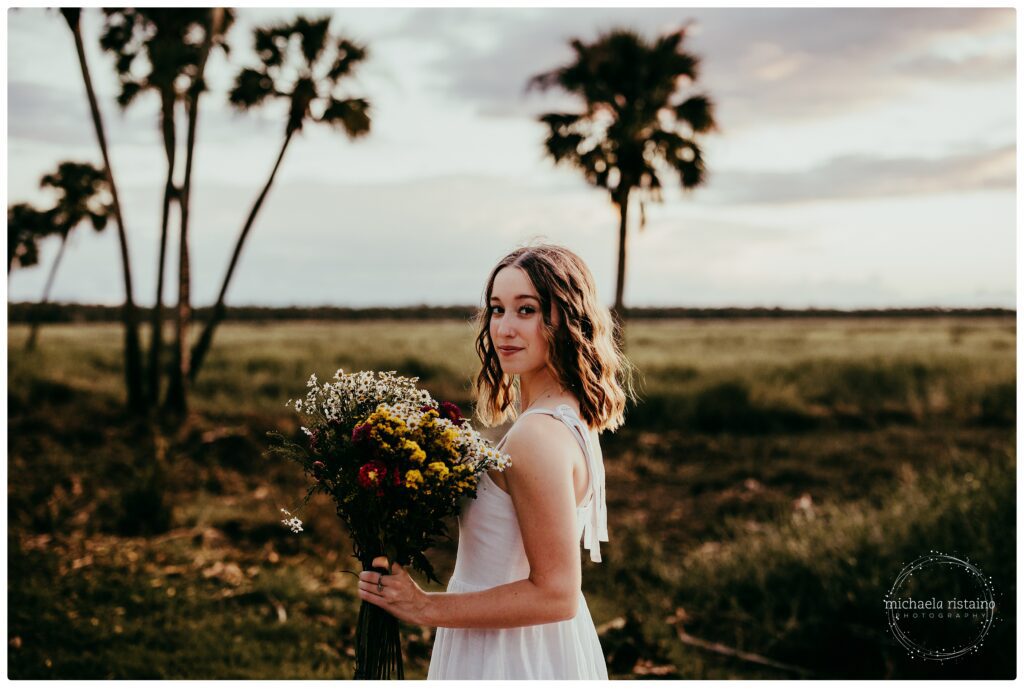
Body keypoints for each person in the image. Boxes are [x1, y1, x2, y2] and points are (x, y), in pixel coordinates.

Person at [355, 242, 636, 679]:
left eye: (526, 310)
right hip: (529, 643)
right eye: (496, 309)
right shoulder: (567, 416)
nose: (504, 328)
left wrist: (425, 606)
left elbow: (557, 594)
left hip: (508, 655)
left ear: (566, 319)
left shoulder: (537, 436)